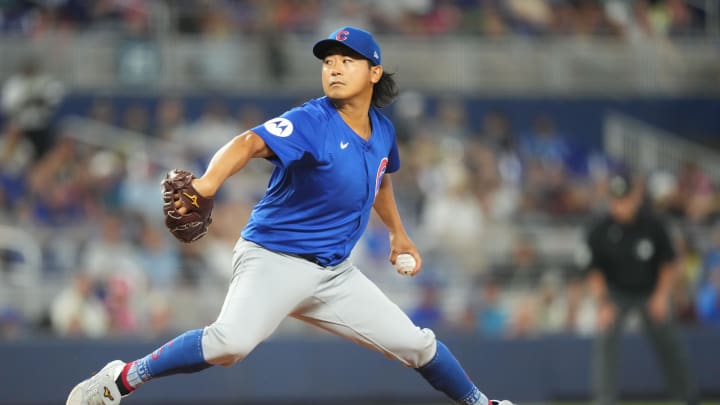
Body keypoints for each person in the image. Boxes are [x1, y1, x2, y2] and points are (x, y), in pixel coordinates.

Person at [66, 27, 514, 405]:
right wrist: (206, 183)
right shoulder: (312, 120)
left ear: (374, 73)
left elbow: (380, 178)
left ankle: (483, 402)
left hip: (335, 275)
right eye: (328, 61)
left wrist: (398, 233)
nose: (334, 67)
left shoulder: (383, 130)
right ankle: (122, 378)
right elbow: (248, 143)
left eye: (347, 60)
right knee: (230, 344)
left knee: (418, 344)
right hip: (273, 259)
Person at [584, 172, 699, 405]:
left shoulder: (652, 225)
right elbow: (594, 271)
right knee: (605, 338)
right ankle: (604, 401)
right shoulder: (600, 229)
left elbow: (668, 263)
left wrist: (661, 296)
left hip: (651, 290)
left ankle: (688, 398)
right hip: (616, 293)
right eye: (615, 200)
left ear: (635, 198)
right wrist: (604, 304)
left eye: (624, 199)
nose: (620, 206)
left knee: (669, 343)